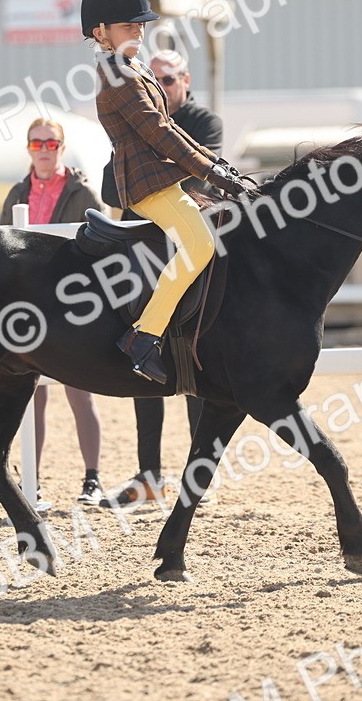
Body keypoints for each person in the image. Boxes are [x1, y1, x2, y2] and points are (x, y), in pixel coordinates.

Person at [81, 0, 248, 386]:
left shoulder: (133, 66)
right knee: (200, 243)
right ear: (100, 32)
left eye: (139, 25)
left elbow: (172, 130)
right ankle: (145, 337)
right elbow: (157, 130)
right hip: (145, 184)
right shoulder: (117, 75)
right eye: (127, 26)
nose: (137, 31)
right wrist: (210, 170)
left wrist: (217, 165)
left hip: (163, 179)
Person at [99, 49, 223, 508]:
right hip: (149, 240)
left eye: (170, 78)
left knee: (196, 345)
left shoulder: (202, 120)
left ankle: (197, 475)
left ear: (185, 80)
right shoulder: (137, 110)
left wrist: (158, 178)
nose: (164, 85)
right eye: (158, 78)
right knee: (143, 355)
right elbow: (113, 185)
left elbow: (203, 185)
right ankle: (148, 472)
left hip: (186, 230)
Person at [0, 118, 107, 506]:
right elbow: (1, 249)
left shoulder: (84, 194)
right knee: (30, 398)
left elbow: (102, 250)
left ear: (62, 147)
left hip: (73, 308)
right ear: (29, 148)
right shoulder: (16, 192)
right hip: (29, 309)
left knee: (81, 393)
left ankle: (92, 479)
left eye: (51, 143)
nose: (44, 149)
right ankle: (32, 479)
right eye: (36, 143)